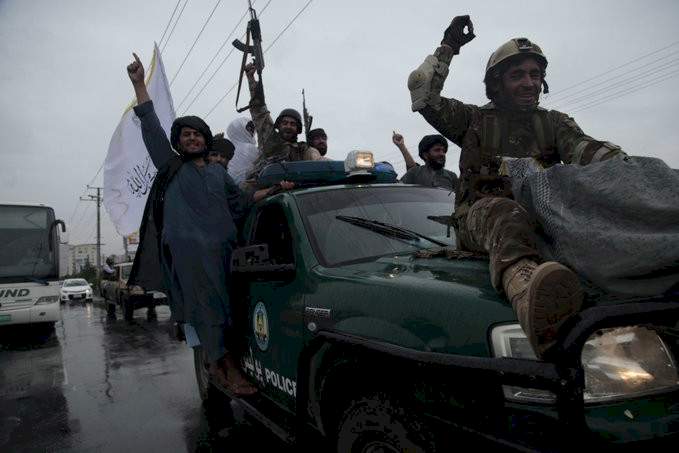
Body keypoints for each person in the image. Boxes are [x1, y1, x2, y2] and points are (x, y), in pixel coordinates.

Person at [408, 16, 626, 359]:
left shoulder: (554, 123)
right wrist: (448, 48)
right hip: (483, 220)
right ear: (496, 83)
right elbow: (422, 89)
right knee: (504, 211)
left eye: (535, 75)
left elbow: (587, 150)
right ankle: (527, 293)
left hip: (545, 218)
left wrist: (626, 169)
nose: (529, 83)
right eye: (517, 75)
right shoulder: (472, 121)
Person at [125, 53, 289, 395]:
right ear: (178, 141)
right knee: (208, 310)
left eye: (197, 135)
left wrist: (274, 189)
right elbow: (151, 126)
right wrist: (140, 84)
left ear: (205, 140)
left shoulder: (218, 172)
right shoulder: (171, 167)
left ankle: (223, 363)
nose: (192, 139)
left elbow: (242, 202)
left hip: (225, 255)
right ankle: (221, 369)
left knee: (227, 310)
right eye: (185, 135)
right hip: (191, 257)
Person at [244, 62, 322, 185]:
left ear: (298, 129)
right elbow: (259, 109)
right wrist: (251, 79)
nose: (288, 126)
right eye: (285, 123)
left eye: (293, 124)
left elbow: (318, 161)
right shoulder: (269, 139)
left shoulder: (303, 149)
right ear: (278, 126)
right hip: (262, 189)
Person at [226, 117, 260, 185]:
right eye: (248, 129)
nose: (252, 132)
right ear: (240, 130)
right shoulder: (249, 148)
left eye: (252, 129)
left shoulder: (228, 150)